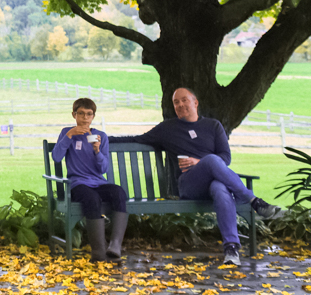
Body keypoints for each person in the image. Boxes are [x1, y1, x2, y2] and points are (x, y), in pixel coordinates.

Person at [114, 87, 284, 265]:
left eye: (184, 100)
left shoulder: (213, 126)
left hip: (212, 184)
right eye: (176, 102)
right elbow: (135, 139)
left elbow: (225, 158)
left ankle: (231, 248)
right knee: (211, 160)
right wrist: (99, 137)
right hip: (189, 185)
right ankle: (253, 201)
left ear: (195, 102)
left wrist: (198, 162)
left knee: (220, 188)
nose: (180, 104)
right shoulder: (168, 129)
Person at [51, 98, 127, 262]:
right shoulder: (66, 133)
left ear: (93, 116)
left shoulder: (100, 136)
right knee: (92, 199)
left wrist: (97, 151)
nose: (85, 118)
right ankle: (99, 251)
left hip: (98, 182)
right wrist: (70, 135)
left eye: (89, 114)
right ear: (74, 115)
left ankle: (114, 246)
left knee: (119, 192)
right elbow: (56, 157)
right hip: (77, 184)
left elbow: (103, 169)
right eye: (81, 114)